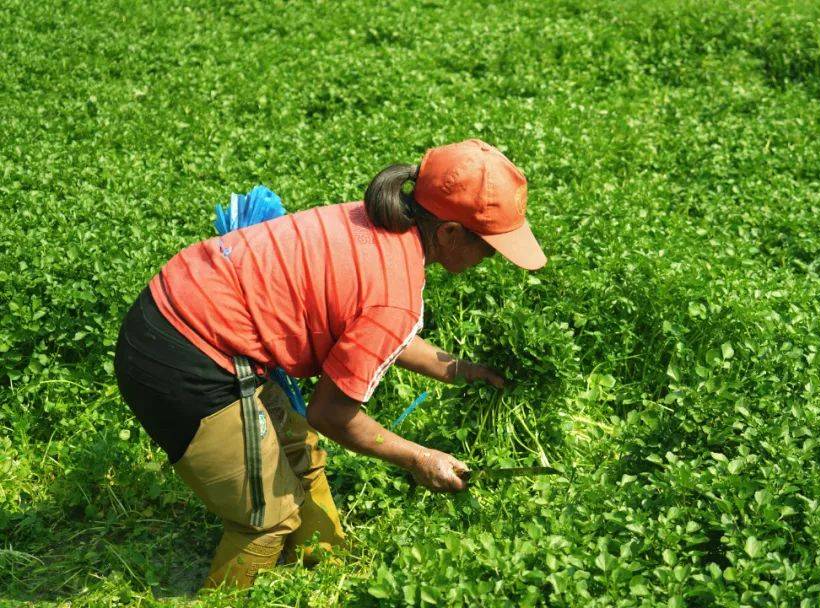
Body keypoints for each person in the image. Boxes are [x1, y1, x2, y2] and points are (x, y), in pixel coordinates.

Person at [112, 139, 546, 588]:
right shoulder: (393, 293)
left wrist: (461, 369)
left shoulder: (373, 222)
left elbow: (373, 328)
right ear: (450, 234)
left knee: (301, 454)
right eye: (490, 247)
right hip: (183, 358)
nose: (491, 258)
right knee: (264, 522)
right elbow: (332, 415)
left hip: (181, 305)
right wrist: (421, 458)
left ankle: (326, 574)